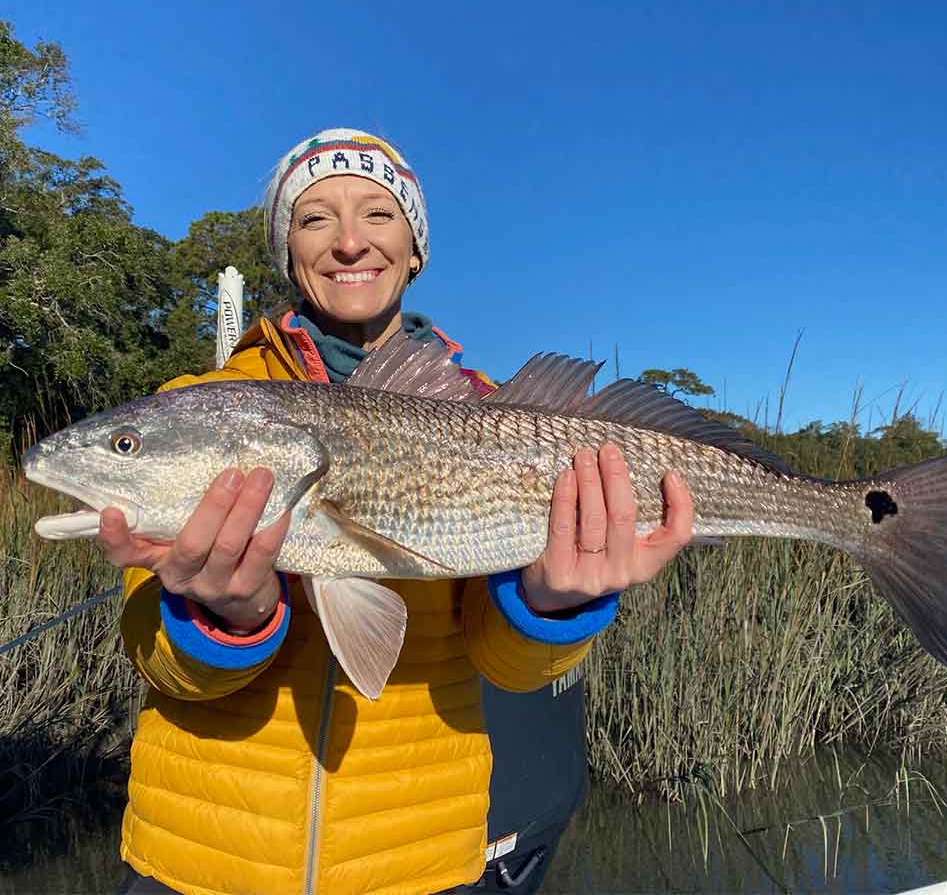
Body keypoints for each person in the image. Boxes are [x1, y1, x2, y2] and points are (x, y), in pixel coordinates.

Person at [99, 129, 694, 895]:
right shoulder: (191, 410)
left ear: (415, 248)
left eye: (378, 215)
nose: (349, 243)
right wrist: (229, 620)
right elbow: (161, 664)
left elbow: (508, 667)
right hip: (201, 860)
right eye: (314, 220)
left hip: (418, 859)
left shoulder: (482, 407)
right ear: (287, 253)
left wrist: (555, 602)